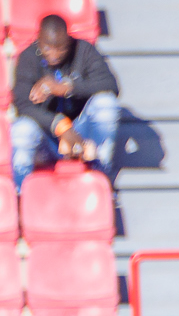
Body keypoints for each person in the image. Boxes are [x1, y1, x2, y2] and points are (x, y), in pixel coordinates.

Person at [11, 14, 121, 189]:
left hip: (82, 135)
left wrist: (67, 87)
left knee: (106, 103)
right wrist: (60, 126)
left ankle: (101, 178)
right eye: (47, 48)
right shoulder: (28, 58)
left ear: (69, 41)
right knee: (21, 129)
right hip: (47, 140)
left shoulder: (83, 50)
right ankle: (20, 194)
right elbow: (22, 105)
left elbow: (111, 85)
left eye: (61, 48)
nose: (54, 55)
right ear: (38, 41)